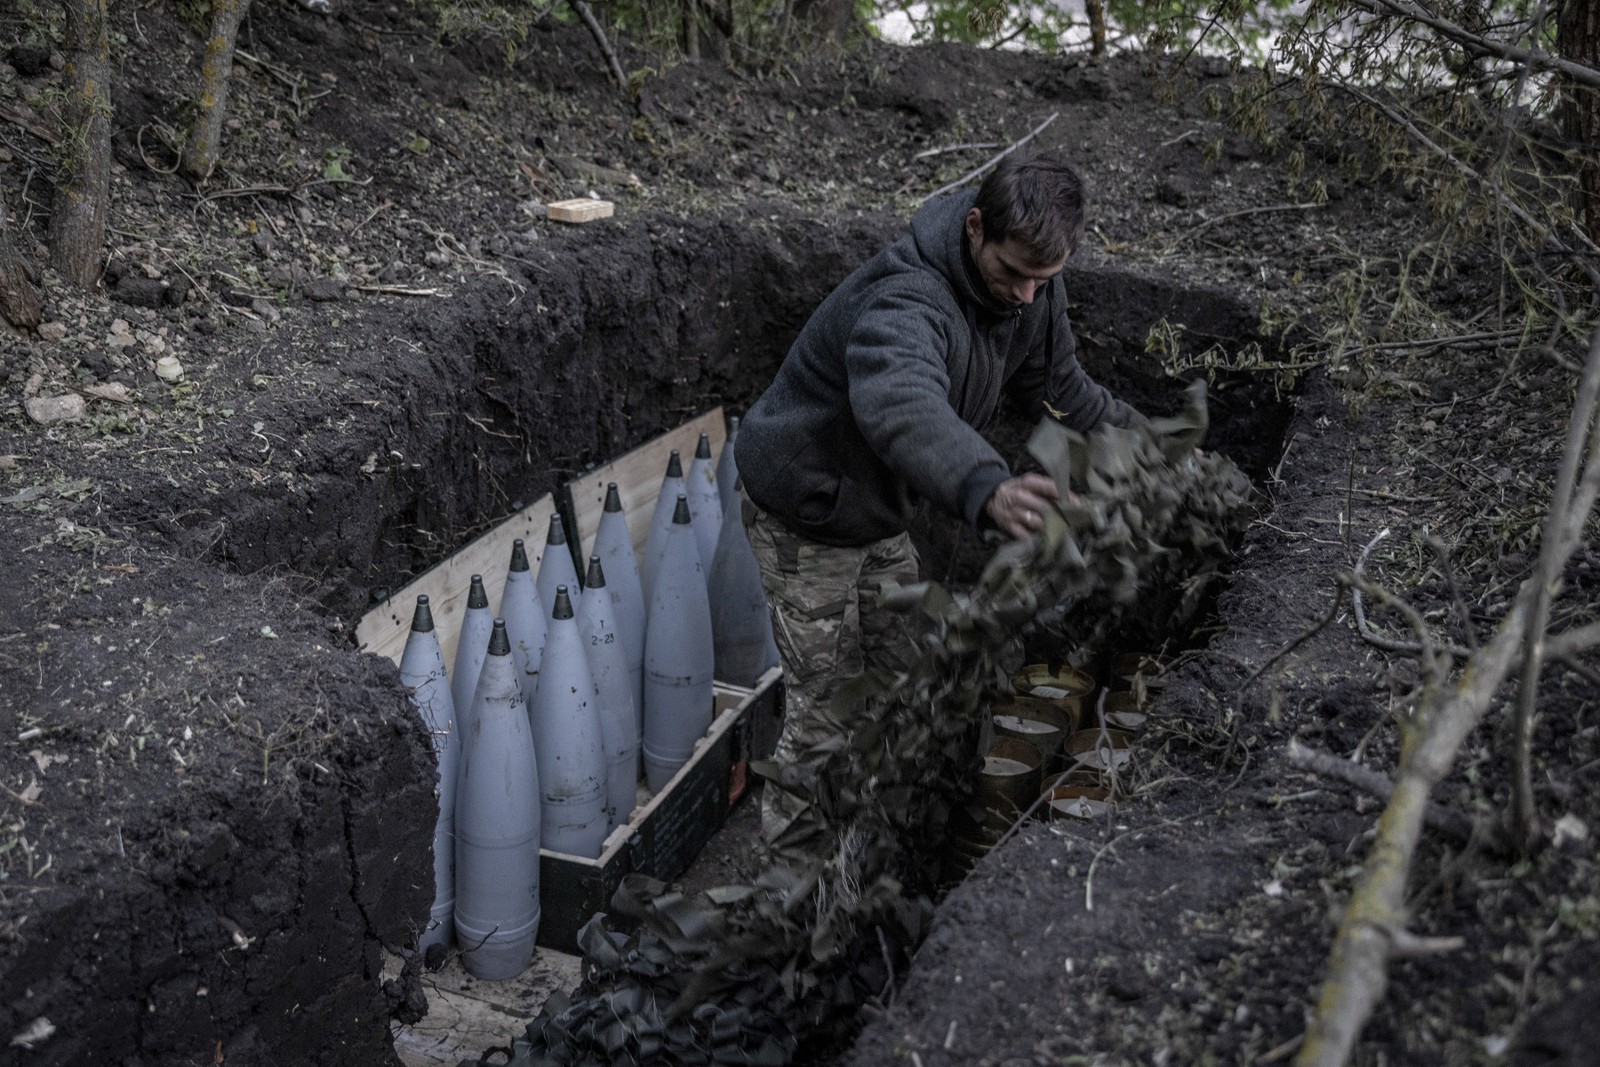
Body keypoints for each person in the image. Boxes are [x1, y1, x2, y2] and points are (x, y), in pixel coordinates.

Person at [734, 150, 1144, 849]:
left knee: (902, 681)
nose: (1026, 297)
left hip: (881, 511)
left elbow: (1065, 390)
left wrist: (1156, 445)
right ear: (976, 228)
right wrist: (986, 485)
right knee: (827, 712)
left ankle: (875, 843)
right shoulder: (906, 298)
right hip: (808, 513)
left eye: (1045, 281)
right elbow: (902, 400)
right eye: (1013, 274)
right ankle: (789, 887)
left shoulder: (1033, 292)